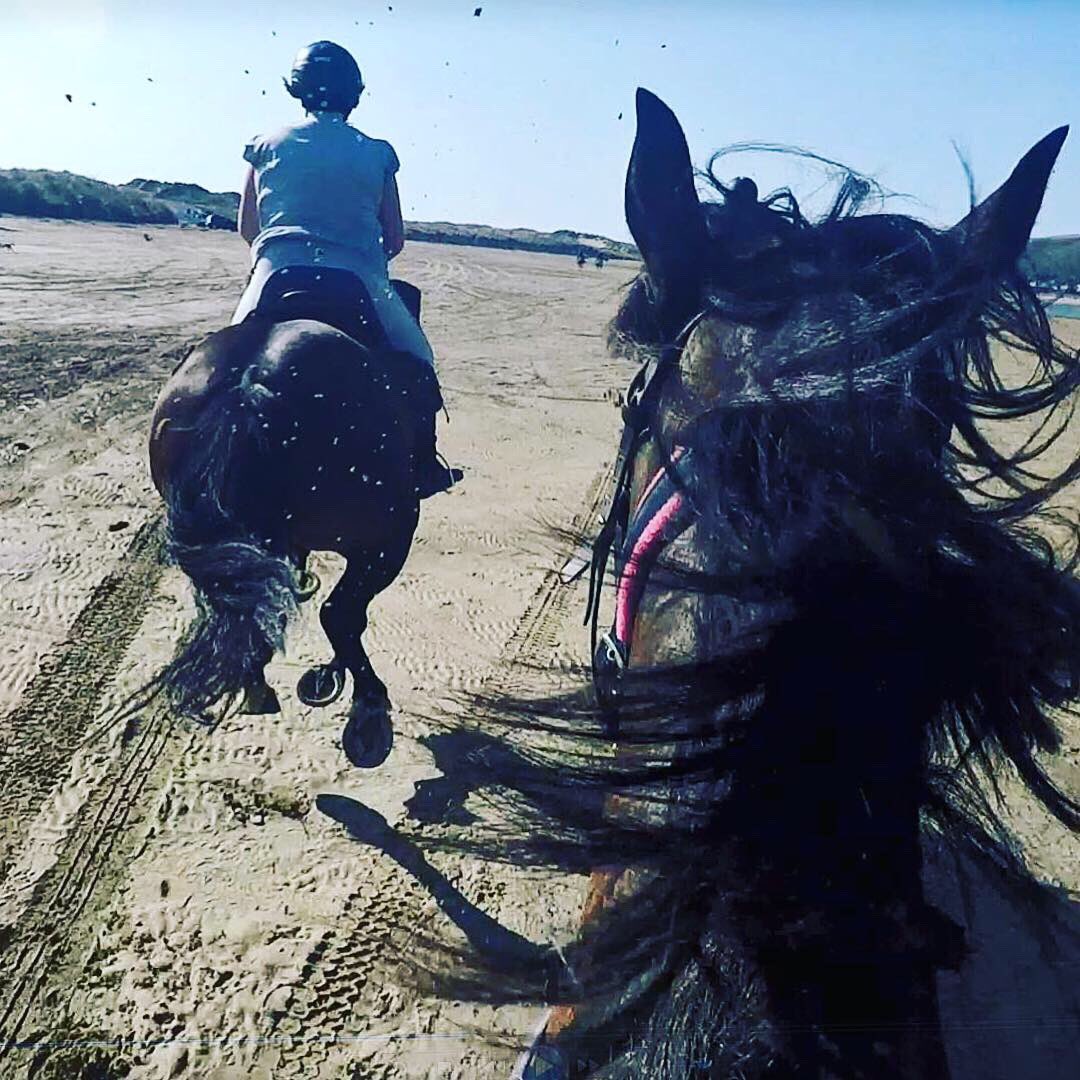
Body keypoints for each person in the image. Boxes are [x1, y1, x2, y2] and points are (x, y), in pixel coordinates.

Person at [232, 40, 457, 497]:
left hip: (274, 275)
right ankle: (424, 465)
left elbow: (246, 227)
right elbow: (394, 239)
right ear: (354, 95)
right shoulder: (376, 154)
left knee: (222, 364)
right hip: (358, 281)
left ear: (297, 90)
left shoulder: (266, 145)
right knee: (418, 360)